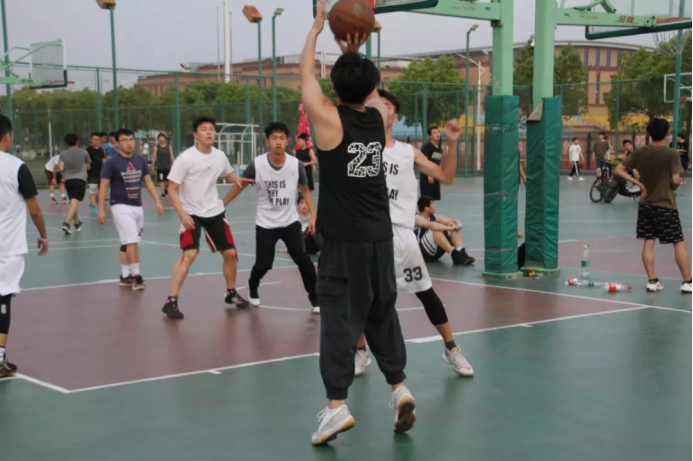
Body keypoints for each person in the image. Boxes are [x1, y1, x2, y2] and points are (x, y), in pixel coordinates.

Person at [301, 0, 415, 445]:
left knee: (338, 323)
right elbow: (368, 88)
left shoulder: (329, 120)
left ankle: (336, 408)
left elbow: (306, 79)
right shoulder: (377, 118)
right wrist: (355, 50)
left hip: (343, 243)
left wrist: (317, 30)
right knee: (381, 313)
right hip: (379, 238)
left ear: (335, 86)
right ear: (372, 87)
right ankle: (399, 387)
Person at [353, 89, 474, 381]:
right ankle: (360, 350)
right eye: (374, 105)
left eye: (386, 106)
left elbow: (446, 176)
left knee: (426, 293)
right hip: (367, 233)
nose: (379, 109)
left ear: (394, 116)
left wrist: (451, 143)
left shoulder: (407, 152)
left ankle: (452, 348)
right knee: (359, 297)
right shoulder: (359, 149)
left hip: (401, 236)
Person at [162, 116, 253, 320]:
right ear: (196, 135)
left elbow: (228, 173)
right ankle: (171, 301)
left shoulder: (219, 156)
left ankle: (231, 292)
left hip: (213, 211)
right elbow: (172, 189)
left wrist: (237, 179)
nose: (209, 132)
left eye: (212, 129)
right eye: (204, 129)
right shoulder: (185, 158)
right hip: (191, 213)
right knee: (190, 254)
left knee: (230, 253)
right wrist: (183, 214)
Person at [223, 122, 319, 314]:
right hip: (266, 223)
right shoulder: (257, 164)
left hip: (290, 221)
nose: (278, 142)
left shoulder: (296, 165)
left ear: (288, 141)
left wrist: (313, 215)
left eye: (282, 138)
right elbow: (240, 186)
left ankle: (315, 298)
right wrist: (222, 204)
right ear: (267, 142)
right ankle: (252, 285)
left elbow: (305, 190)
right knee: (264, 264)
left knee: (302, 259)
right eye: (274, 138)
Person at [615, 118, 691, 295]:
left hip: (645, 205)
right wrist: (674, 186)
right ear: (667, 133)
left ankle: (652, 281)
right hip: (666, 205)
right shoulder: (671, 154)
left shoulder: (640, 152)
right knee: (678, 242)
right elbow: (676, 180)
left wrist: (637, 183)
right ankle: (687, 282)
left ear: (648, 134)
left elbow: (618, 169)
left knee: (648, 242)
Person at [0, 114, 49, 377]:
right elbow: (34, 209)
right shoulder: (16, 167)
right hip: (7, 246)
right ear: (8, 135)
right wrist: (44, 235)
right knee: (3, 297)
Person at [98, 129, 164, 290]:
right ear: (118, 143)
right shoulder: (111, 163)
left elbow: (148, 181)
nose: (128, 143)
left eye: (131, 139)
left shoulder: (140, 160)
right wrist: (101, 209)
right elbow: (104, 186)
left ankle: (125, 275)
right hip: (120, 205)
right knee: (132, 240)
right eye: (124, 140)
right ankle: (137, 275)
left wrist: (157, 200)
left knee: (127, 242)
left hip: (137, 206)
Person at [416, 196, 475, 266]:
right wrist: (450, 228)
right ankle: (454, 254)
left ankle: (460, 252)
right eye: (432, 204)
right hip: (422, 253)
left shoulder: (434, 216)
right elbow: (432, 225)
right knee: (435, 229)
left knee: (452, 225)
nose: (434, 206)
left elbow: (452, 220)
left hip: (433, 254)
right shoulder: (417, 217)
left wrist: (458, 225)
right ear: (426, 208)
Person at [59, 133, 91, 236]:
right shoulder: (84, 152)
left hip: (68, 180)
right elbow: (88, 167)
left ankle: (77, 223)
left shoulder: (63, 154)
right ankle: (66, 223)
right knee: (74, 202)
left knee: (73, 202)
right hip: (80, 179)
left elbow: (61, 168)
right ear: (77, 141)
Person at [420, 125, 443, 200]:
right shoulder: (427, 147)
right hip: (427, 178)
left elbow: (439, 163)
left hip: (435, 177)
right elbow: (424, 162)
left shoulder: (439, 148)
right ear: (430, 136)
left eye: (438, 132)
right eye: (434, 132)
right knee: (427, 201)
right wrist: (429, 175)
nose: (437, 134)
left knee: (433, 200)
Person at [86, 132, 107, 211]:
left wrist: (105, 170)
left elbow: (104, 160)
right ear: (91, 140)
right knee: (93, 191)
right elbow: (86, 163)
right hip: (92, 174)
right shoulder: (88, 150)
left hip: (101, 174)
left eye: (97, 139)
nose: (96, 141)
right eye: (94, 139)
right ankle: (94, 206)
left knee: (100, 191)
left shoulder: (100, 150)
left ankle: (93, 202)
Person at [151, 133, 175, 198]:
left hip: (168, 167)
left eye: (162, 137)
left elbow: (171, 155)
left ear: (165, 139)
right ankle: (163, 193)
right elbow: (154, 157)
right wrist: (152, 166)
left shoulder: (169, 146)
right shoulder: (156, 147)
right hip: (160, 167)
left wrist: (175, 163)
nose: (161, 138)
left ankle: (166, 189)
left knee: (168, 181)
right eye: (159, 138)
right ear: (158, 139)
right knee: (161, 180)